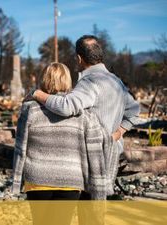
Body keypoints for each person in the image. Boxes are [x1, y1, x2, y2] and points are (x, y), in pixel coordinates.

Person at [31, 35, 140, 198]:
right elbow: (134, 110)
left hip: (92, 157)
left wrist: (37, 94)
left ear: (79, 58)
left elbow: (66, 106)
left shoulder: (90, 82)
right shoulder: (116, 81)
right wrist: (118, 134)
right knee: (96, 208)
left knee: (88, 208)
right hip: (110, 154)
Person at [12, 63, 111, 225]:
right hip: (70, 180)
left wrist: (16, 183)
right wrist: (99, 192)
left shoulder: (30, 109)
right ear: (68, 81)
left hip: (38, 179)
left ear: (44, 80)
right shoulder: (84, 113)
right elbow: (95, 154)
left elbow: (20, 148)